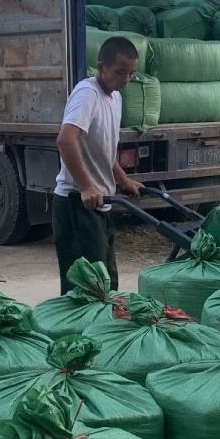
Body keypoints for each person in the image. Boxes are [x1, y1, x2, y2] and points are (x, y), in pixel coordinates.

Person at [53, 35, 144, 293]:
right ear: (101, 67)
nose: (126, 79)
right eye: (120, 72)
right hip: (76, 205)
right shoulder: (87, 94)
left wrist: (123, 180)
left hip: (99, 204)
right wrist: (85, 186)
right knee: (85, 292)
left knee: (107, 285)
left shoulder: (115, 97)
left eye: (131, 73)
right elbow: (66, 140)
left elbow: (104, 150)